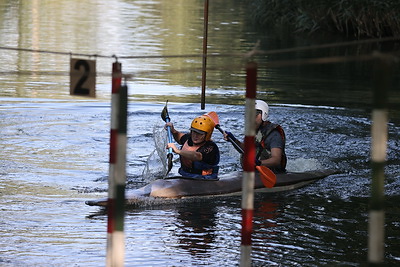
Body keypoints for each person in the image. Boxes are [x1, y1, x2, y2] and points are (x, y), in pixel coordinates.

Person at [224, 99, 287, 173]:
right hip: (255, 171)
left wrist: (259, 163)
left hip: (272, 172)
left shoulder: (274, 135)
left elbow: (276, 160)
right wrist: (234, 140)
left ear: (264, 115)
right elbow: (245, 150)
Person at [165, 114, 220, 180]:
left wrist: (177, 151)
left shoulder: (211, 147)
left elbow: (196, 156)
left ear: (207, 135)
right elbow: (180, 137)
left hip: (206, 179)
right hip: (185, 175)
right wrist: (173, 131)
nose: (196, 136)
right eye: (194, 132)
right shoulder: (190, 138)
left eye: (200, 134)